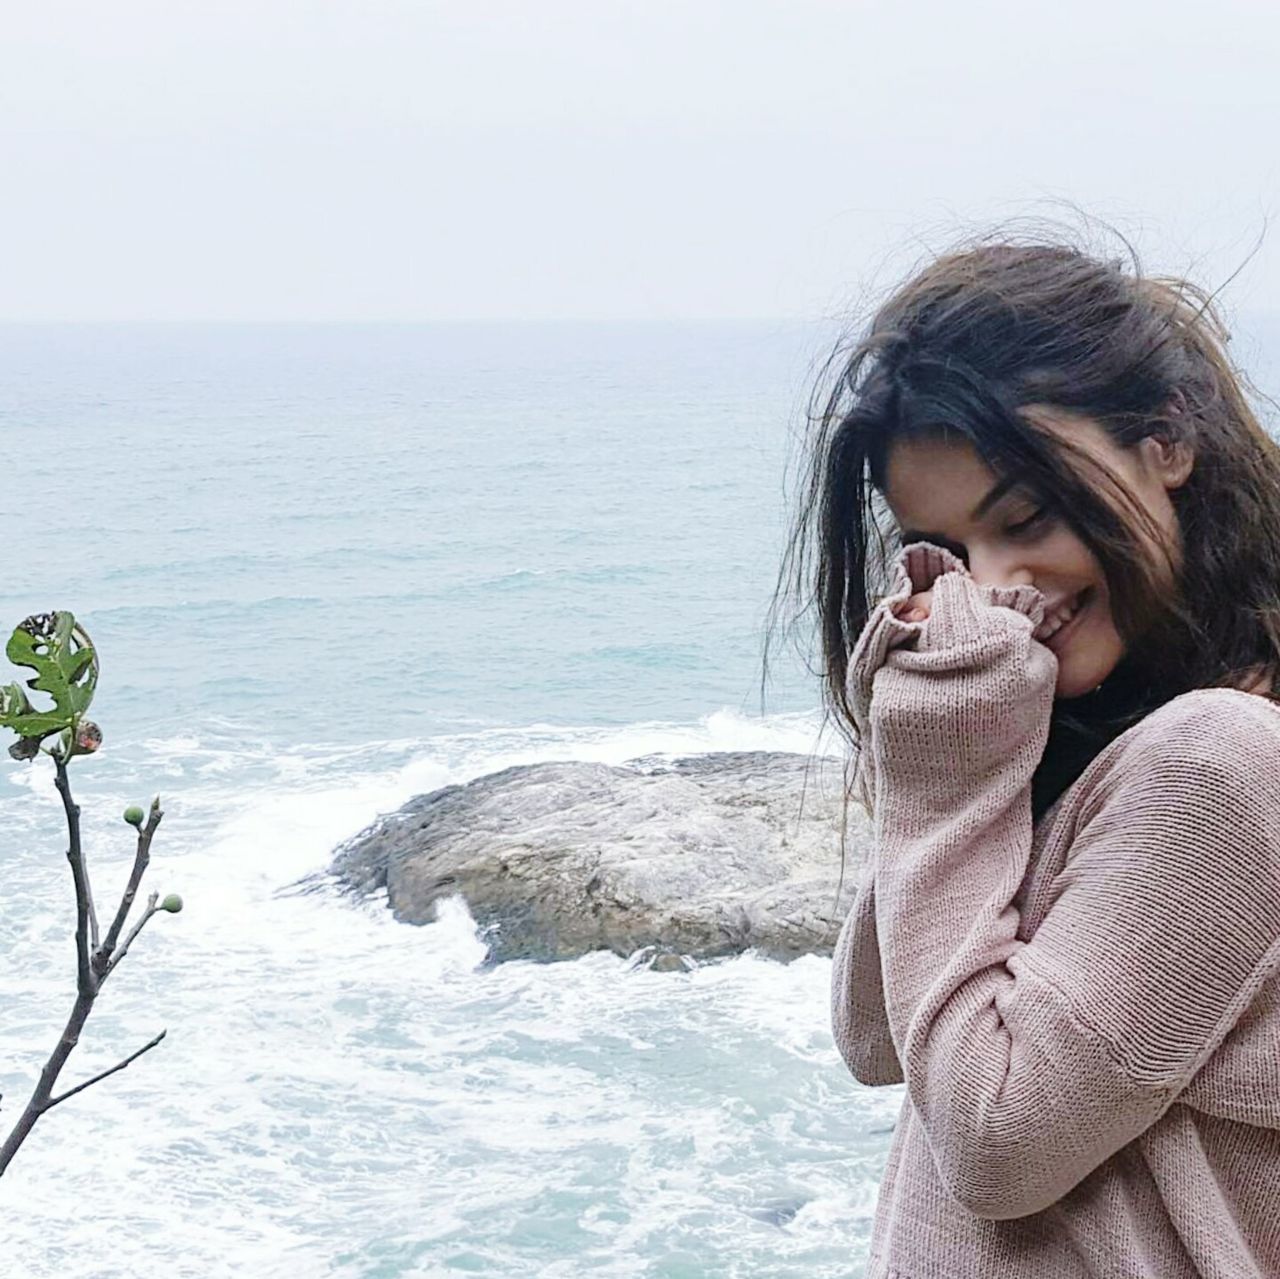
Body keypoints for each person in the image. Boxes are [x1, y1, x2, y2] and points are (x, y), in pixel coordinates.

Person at [770, 226, 1280, 1277]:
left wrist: (950, 776)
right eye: (949, 551)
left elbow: (997, 1138)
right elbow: (876, 1035)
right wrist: (951, 753)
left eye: (1027, 513)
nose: (1000, 584)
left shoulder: (1214, 759)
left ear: (1164, 441)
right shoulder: (1086, 734)